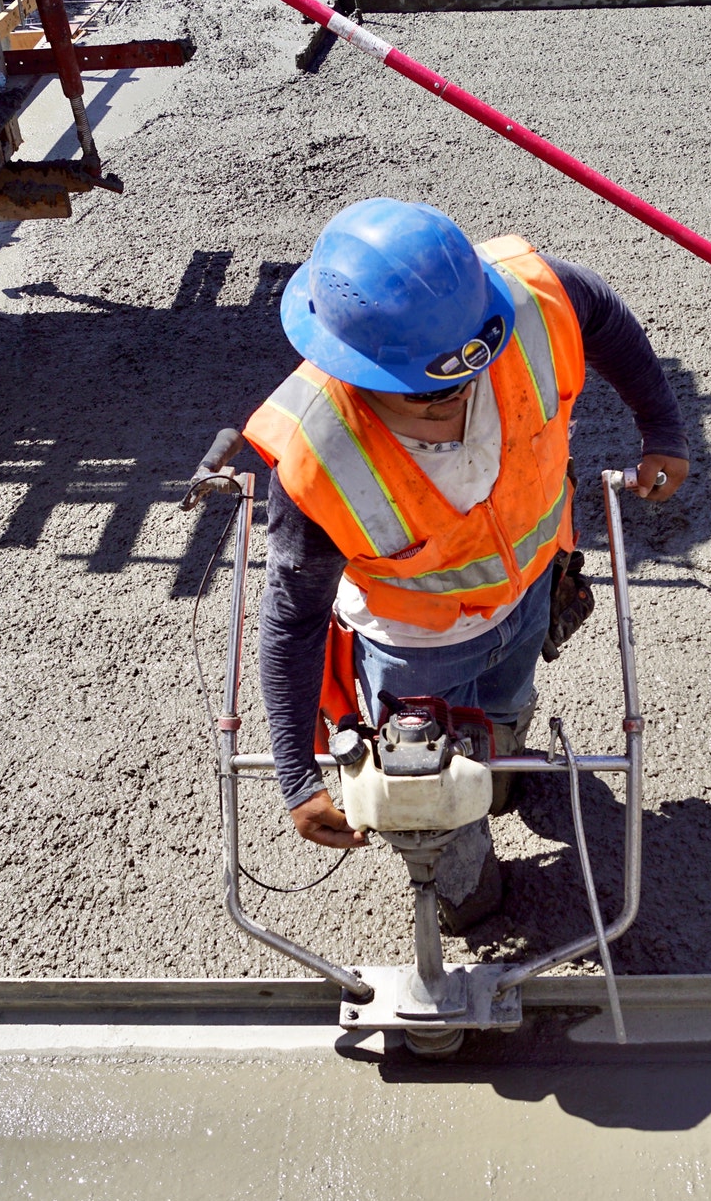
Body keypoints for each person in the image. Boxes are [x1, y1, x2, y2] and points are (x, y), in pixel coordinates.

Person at [245, 198, 688, 930]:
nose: (455, 410)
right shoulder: (317, 457)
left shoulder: (530, 303)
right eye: (428, 402)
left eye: (465, 383)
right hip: (414, 649)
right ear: (354, 373)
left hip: (527, 597)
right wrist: (296, 776)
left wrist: (663, 427)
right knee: (425, 795)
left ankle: (502, 770)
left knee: (506, 710)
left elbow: (601, 314)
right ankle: (466, 887)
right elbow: (291, 623)